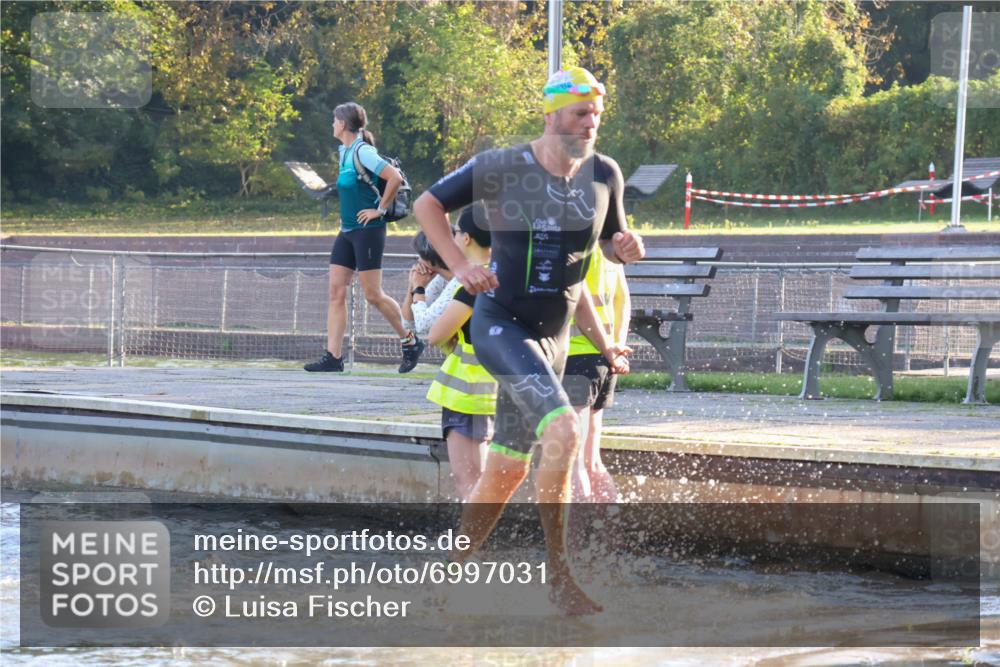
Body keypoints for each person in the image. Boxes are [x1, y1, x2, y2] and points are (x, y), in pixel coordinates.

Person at [413, 66, 645, 615]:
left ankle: (442, 581)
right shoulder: (501, 166)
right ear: (550, 115)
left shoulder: (604, 173)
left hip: (555, 338)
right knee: (564, 428)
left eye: (596, 115)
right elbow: (427, 205)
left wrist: (624, 249)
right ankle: (560, 579)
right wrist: (459, 267)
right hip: (502, 324)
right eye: (580, 113)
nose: (590, 124)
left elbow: (605, 246)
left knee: (507, 470)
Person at [304, 102, 424, 374]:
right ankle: (333, 358)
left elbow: (394, 178)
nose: (332, 125)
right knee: (336, 291)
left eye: (334, 120)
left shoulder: (363, 151)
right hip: (347, 231)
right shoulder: (344, 152)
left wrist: (379, 210)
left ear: (343, 124)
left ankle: (410, 341)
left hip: (368, 232)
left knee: (373, 294)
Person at [425, 203, 495, 501]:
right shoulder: (511, 278)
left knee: (471, 485)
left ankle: (477, 533)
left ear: (466, 238)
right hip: (498, 394)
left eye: (455, 232)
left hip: (470, 397)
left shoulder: (475, 285)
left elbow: (435, 334)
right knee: (482, 484)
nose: (452, 238)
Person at [564, 248, 631, 502]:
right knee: (591, 461)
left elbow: (579, 304)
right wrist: (617, 347)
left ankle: (575, 529)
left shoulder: (573, 245)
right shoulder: (609, 249)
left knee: (574, 464)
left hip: (575, 358)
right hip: (603, 360)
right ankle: (609, 526)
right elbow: (623, 300)